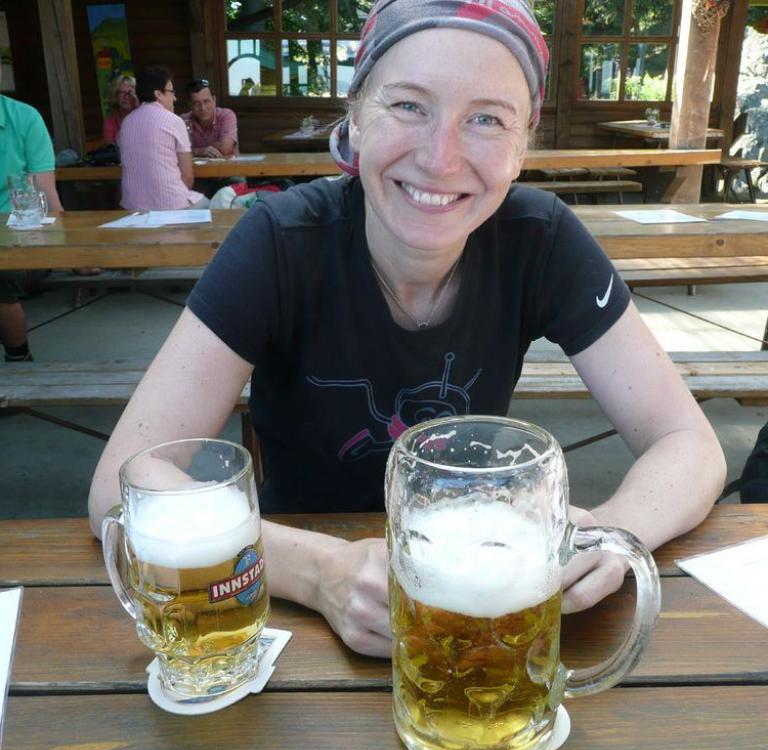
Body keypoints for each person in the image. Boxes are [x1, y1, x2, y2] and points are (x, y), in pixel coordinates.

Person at [90, 0, 725, 657]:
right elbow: (118, 487)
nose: (440, 158)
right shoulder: (279, 241)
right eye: (408, 105)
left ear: (522, 146)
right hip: (285, 617)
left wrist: (611, 536)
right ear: (355, 118)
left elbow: (689, 444)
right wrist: (320, 571)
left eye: (486, 118)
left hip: (477, 607)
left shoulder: (541, 239)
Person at [0, 85, 63, 362]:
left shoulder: (24, 117)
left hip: (22, 237)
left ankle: (18, 358)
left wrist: (69, 249)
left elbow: (46, 193)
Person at [118, 66, 208, 210]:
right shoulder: (174, 121)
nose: (175, 98)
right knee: (211, 206)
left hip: (133, 207)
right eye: (171, 92)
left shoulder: (126, 122)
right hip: (171, 206)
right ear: (158, 94)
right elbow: (187, 176)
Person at [180, 78, 238, 159]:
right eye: (196, 103)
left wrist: (192, 150)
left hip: (226, 166)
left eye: (206, 101)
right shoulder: (183, 120)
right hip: (194, 167)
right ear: (190, 104)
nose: (203, 108)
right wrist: (200, 151)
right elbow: (178, 151)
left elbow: (225, 148)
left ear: (214, 100)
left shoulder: (226, 115)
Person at [102, 75, 138, 145]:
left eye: (130, 93)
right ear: (115, 96)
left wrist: (138, 110)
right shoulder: (110, 122)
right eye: (122, 93)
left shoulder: (144, 117)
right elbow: (110, 148)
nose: (126, 97)